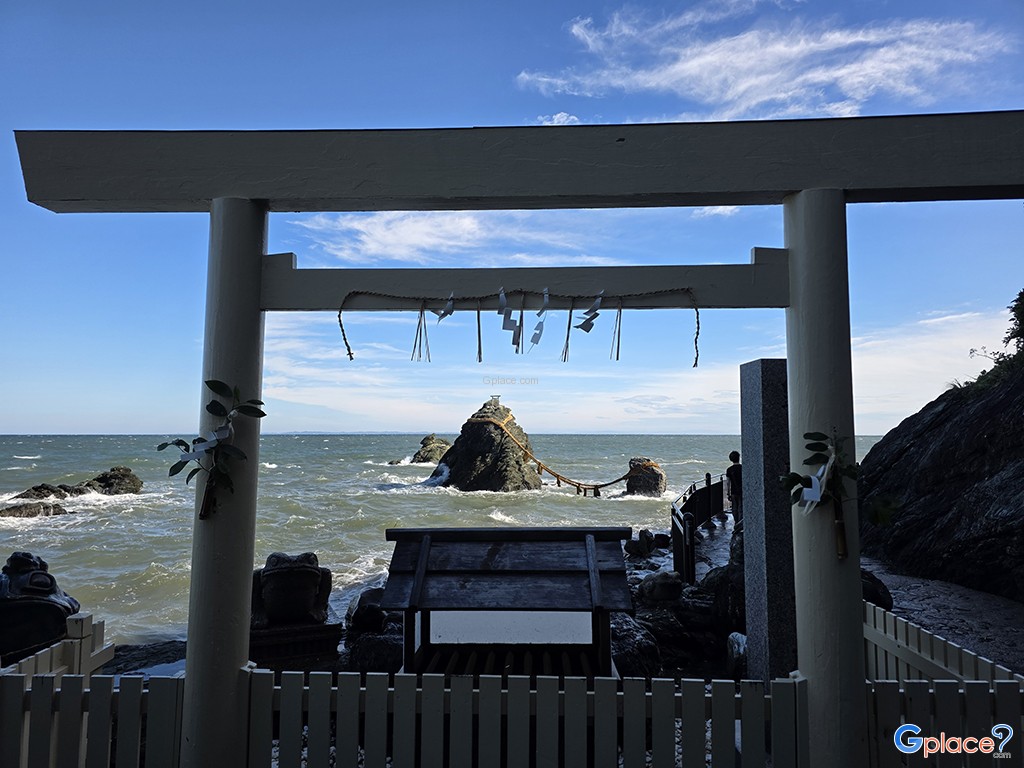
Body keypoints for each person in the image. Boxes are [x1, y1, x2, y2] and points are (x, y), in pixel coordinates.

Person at [725, 450, 742, 523]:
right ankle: (741, 524)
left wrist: (728, 493)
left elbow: (728, 483)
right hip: (742, 491)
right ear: (739, 457)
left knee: (734, 508)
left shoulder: (729, 470)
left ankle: (736, 522)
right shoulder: (742, 468)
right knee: (741, 508)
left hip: (734, 491)